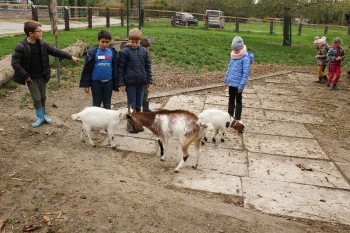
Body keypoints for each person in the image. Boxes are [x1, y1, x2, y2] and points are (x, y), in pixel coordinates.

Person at [11, 20, 80, 128]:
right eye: (39, 31)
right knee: (37, 98)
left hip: (43, 76)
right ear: (31, 33)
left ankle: (44, 116)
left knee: (43, 97)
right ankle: (39, 117)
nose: (41, 33)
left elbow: (56, 51)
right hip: (31, 78)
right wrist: (25, 76)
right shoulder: (21, 46)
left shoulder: (42, 44)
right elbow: (15, 63)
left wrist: (70, 56)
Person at [118, 28, 152, 133]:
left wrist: (149, 80)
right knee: (131, 104)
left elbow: (148, 66)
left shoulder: (144, 52)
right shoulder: (124, 52)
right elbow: (121, 69)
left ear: (140, 41)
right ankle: (130, 123)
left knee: (138, 103)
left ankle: (138, 122)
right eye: (132, 42)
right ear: (128, 40)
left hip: (141, 82)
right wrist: (121, 83)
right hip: (131, 83)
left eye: (136, 42)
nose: (134, 44)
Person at [80, 29, 119, 109]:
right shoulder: (93, 53)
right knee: (96, 103)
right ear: (98, 40)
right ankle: (96, 120)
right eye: (103, 41)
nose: (105, 44)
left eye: (107, 42)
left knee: (107, 103)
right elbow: (87, 69)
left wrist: (118, 81)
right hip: (96, 82)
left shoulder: (112, 52)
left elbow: (115, 67)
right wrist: (86, 84)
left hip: (108, 82)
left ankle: (107, 120)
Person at [223, 36, 254, 132]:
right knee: (231, 100)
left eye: (237, 50)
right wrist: (226, 80)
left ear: (241, 48)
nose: (235, 51)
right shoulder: (233, 57)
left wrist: (241, 86)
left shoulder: (245, 58)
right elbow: (229, 70)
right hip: (231, 83)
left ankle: (237, 118)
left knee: (238, 101)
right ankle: (230, 117)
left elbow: (245, 74)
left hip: (238, 85)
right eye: (234, 49)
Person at [140, 37, 154, 112]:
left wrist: (149, 80)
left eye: (147, 50)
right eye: (145, 50)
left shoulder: (147, 56)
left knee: (146, 93)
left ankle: (146, 108)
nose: (146, 52)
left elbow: (148, 69)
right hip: (139, 78)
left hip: (145, 77)